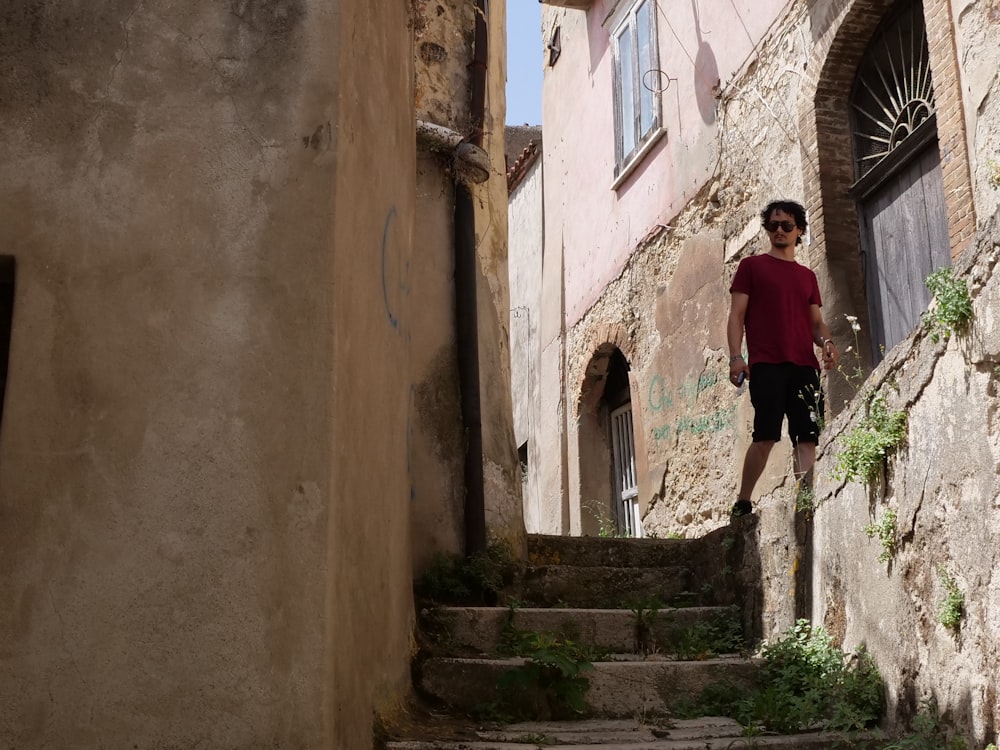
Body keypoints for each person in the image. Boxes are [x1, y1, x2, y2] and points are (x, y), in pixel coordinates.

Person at [727, 200, 838, 516]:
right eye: (773, 225)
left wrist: (827, 342)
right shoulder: (751, 267)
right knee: (765, 436)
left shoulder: (807, 277)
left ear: (799, 230)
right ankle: (743, 501)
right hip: (767, 364)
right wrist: (736, 357)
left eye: (786, 225)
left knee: (807, 437)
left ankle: (806, 502)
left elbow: (816, 323)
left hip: (805, 365)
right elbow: (736, 315)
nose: (779, 230)